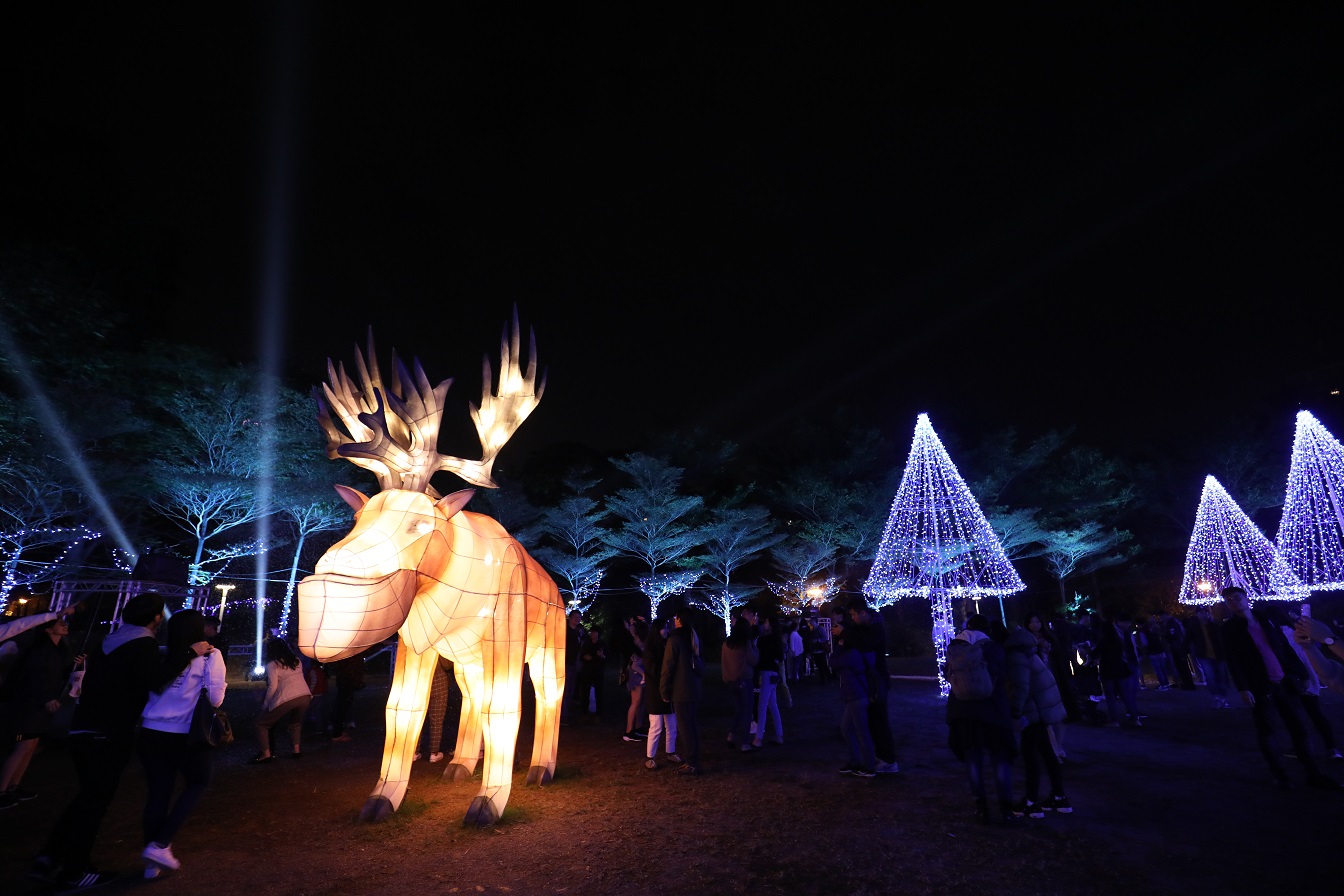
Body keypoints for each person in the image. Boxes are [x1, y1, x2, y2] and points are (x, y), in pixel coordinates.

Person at [32, 593, 206, 890]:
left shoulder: (109, 641)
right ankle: (75, 870)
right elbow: (154, 679)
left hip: (83, 727)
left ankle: (49, 857)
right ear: (155, 618)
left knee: (86, 796)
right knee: (95, 802)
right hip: (109, 733)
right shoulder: (143, 643)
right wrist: (189, 653)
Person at [137, 609, 227, 878]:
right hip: (185, 733)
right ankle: (160, 844)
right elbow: (215, 699)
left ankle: (151, 863)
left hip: (151, 731)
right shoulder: (211, 655)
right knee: (198, 783)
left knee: (158, 793)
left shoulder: (161, 654)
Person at [1220, 586, 1337, 790]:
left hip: (1284, 681)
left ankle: (1312, 773)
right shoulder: (1230, 628)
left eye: (1237, 598)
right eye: (1229, 600)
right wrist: (1243, 688)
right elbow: (1233, 660)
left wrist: (1301, 673)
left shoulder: (1265, 619)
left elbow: (1283, 646)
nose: (1234, 602)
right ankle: (1279, 774)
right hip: (1260, 685)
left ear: (1247, 598)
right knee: (1267, 730)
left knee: (1298, 728)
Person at [0, 615, 78, 808]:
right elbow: (34, 677)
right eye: (60, 623)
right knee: (23, 747)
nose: (65, 625)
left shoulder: (58, 650)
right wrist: (46, 698)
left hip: (40, 706)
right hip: (28, 705)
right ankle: (2, 789)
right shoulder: (40, 651)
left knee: (31, 745)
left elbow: (55, 674)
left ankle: (13, 787)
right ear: (47, 629)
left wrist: (73, 666)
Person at [946, 614, 1017, 824]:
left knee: (973, 760)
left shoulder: (956, 648)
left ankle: (981, 808)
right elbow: (1003, 677)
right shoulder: (993, 648)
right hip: (993, 711)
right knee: (1000, 760)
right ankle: (1005, 810)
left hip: (963, 713)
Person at [1004, 623, 1071, 817]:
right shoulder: (1028, 651)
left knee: (1029, 753)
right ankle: (1059, 797)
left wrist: (1015, 711)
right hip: (1043, 707)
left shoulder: (1016, 656)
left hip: (1034, 711)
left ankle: (1030, 802)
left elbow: (1021, 686)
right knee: (1047, 752)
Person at [848, 601, 898, 772]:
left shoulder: (876, 629)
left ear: (863, 613)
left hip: (878, 679)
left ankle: (889, 760)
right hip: (873, 678)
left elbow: (864, 645)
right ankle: (882, 756)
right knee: (873, 720)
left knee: (879, 720)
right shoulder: (870, 627)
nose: (852, 618)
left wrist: (846, 633)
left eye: (854, 615)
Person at [248, 636, 312, 763]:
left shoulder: (273, 664)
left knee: (261, 724)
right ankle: (296, 751)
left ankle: (266, 754)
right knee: (296, 722)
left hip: (287, 697)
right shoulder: (296, 661)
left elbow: (273, 686)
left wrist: (266, 704)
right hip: (305, 695)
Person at [830, 613, 877, 777]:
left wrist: (840, 644)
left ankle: (869, 766)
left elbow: (833, 662)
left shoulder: (851, 653)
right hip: (853, 695)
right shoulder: (854, 651)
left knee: (861, 731)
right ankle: (855, 761)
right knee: (846, 729)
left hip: (857, 694)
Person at [660, 607, 702, 775]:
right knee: (691, 725)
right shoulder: (694, 636)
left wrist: (664, 690)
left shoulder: (675, 639)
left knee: (685, 726)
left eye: (675, 617)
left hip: (681, 689)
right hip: (694, 687)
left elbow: (668, 667)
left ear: (679, 619)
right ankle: (694, 757)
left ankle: (692, 762)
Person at [641, 617, 680, 770]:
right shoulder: (650, 650)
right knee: (656, 726)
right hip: (655, 692)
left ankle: (671, 752)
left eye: (667, 628)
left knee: (671, 724)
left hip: (668, 690)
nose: (666, 631)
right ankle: (650, 757)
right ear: (657, 630)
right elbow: (655, 672)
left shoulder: (667, 645)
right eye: (664, 628)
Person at [1098, 611, 1143, 727]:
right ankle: (1134, 718)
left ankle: (1115, 721)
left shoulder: (1106, 638)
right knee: (1126, 694)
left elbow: (1099, 651)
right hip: (1121, 668)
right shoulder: (1119, 638)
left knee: (1111, 696)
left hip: (1109, 670)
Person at [721, 620, 759, 753]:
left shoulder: (727, 643)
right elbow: (753, 659)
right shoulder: (745, 643)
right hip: (744, 680)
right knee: (747, 711)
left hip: (731, 681)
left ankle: (731, 735)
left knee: (738, 709)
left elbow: (724, 662)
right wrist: (755, 647)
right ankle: (744, 742)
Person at [752, 614, 785, 748]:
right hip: (773, 673)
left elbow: (759, 657)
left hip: (765, 673)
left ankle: (758, 738)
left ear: (770, 625)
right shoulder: (778, 640)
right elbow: (780, 657)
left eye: (766, 622)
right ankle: (779, 735)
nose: (764, 624)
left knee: (762, 705)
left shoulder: (764, 640)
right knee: (772, 705)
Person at [1189, 605, 1231, 708]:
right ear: (1197, 614)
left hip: (1219, 655)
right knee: (1211, 678)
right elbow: (1188, 638)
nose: (1203, 615)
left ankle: (1223, 698)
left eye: (1205, 612)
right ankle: (1216, 697)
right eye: (1201, 612)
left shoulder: (1214, 625)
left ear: (1208, 613)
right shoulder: (1194, 627)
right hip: (1204, 656)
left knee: (1221, 677)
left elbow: (1223, 638)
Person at [415, 654, 454, 762]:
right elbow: (447, 665)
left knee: (417, 719)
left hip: (419, 683)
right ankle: (434, 753)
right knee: (436, 720)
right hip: (438, 683)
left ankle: (414, 751)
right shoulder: (438, 643)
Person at [329, 648, 370, 742]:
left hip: (345, 679)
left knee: (342, 705)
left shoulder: (344, 651)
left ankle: (338, 731)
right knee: (343, 706)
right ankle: (337, 734)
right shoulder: (352, 652)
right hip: (348, 680)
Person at [622, 620, 649, 742]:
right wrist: (644, 674)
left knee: (641, 702)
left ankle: (638, 728)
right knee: (636, 701)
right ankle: (629, 732)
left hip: (638, 673)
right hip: (635, 674)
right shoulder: (637, 642)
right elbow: (634, 665)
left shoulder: (638, 640)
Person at [577, 626, 607, 721]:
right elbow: (581, 656)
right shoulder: (586, 643)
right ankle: (584, 712)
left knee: (599, 692)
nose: (593, 634)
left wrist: (601, 656)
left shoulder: (602, 644)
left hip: (598, 671)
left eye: (595, 633)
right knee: (585, 691)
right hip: (587, 670)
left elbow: (606, 658)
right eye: (592, 632)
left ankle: (599, 714)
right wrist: (585, 657)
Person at [560, 609, 584, 725]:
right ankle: (563, 716)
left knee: (571, 689)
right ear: (570, 618)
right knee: (565, 689)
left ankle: (566, 714)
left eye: (579, 617)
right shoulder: (565, 631)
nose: (577, 619)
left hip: (573, 663)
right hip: (565, 663)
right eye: (575, 617)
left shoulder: (579, 632)